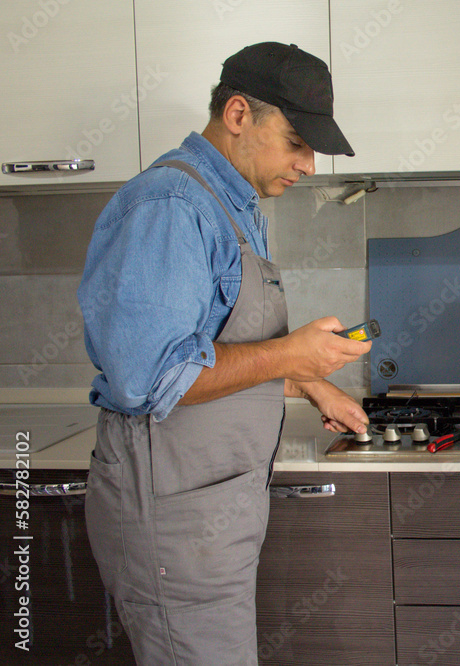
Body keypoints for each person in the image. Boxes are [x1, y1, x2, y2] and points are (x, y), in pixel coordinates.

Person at [77, 42, 369, 665]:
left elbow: (211, 353)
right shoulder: (173, 206)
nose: (309, 165)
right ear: (238, 115)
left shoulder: (231, 200)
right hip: (172, 526)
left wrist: (310, 380)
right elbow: (152, 378)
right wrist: (290, 355)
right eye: (296, 141)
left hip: (209, 511)